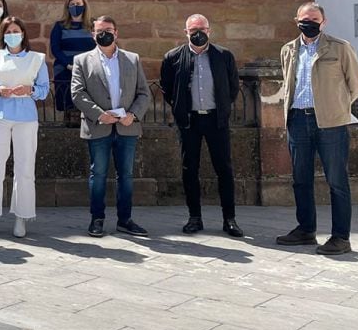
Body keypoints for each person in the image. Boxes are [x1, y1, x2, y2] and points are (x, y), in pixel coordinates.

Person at [275, 2, 358, 255]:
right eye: (305, 19)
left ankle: (340, 238)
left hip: (331, 123)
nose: (309, 23)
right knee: (300, 180)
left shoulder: (339, 48)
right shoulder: (288, 50)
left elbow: (356, 83)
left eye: (314, 19)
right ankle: (306, 229)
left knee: (337, 181)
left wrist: (337, 106)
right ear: (296, 21)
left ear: (323, 22)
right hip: (298, 120)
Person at [160, 14, 244, 238]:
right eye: (193, 29)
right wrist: (180, 108)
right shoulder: (173, 57)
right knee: (190, 170)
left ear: (209, 31)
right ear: (186, 32)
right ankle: (194, 217)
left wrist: (223, 108)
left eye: (202, 29)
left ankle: (229, 219)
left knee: (224, 169)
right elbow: (167, 88)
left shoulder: (223, 56)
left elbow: (233, 87)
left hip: (216, 120)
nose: (198, 33)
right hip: (190, 121)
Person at [71, 15, 151, 238]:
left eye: (108, 30)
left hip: (127, 126)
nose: (104, 34)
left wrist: (133, 114)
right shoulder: (82, 60)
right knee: (98, 174)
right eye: (99, 31)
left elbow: (144, 92)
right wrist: (99, 115)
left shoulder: (132, 59)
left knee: (125, 175)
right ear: (93, 34)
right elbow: (77, 93)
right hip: (99, 126)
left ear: (116, 33)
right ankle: (97, 220)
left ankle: (125, 220)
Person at [0, 16, 50, 238]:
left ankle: (22, 217)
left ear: (23, 33)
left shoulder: (37, 59)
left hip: (26, 117)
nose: (12, 35)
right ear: (3, 35)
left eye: (16, 30)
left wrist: (29, 90)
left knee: (25, 168)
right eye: (8, 31)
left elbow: (44, 89)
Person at [50, 0, 95, 126]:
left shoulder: (93, 25)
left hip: (88, 69)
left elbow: (98, 47)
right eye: (72, 4)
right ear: (67, 7)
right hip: (65, 69)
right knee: (68, 103)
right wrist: (68, 64)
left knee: (88, 101)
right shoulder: (60, 26)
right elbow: (55, 49)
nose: (76, 7)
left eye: (79, 4)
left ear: (85, 6)